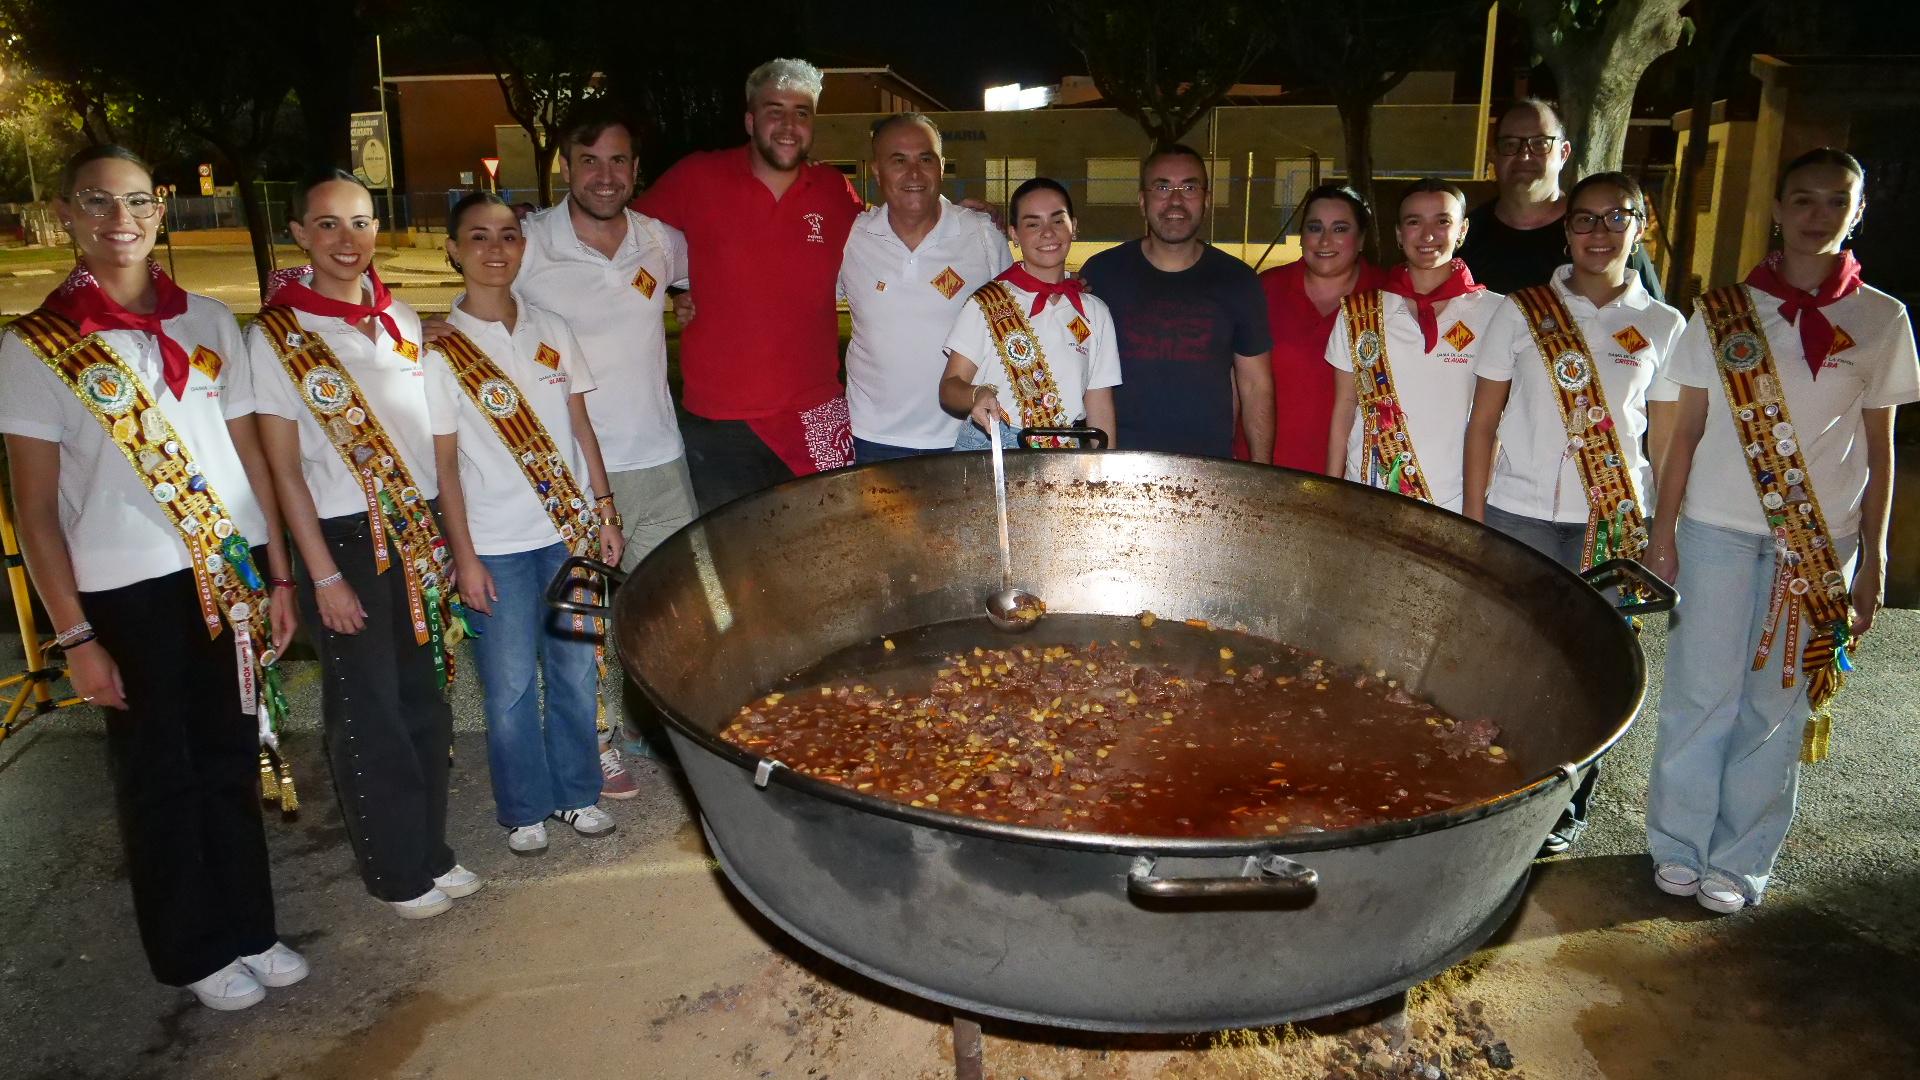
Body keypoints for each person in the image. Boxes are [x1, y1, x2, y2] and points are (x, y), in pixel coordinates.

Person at [0, 145, 306, 1010]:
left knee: (231, 756)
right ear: (64, 214)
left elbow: (248, 455)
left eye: (135, 201)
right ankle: (192, 948)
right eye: (96, 202)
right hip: (124, 593)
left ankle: (251, 924)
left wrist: (278, 574)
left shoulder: (210, 321)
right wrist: (77, 638)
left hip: (227, 575)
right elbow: (36, 511)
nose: (118, 219)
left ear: (161, 210)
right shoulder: (32, 349)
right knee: (158, 774)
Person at [1642, 148, 1918, 914]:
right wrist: (1662, 534)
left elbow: (1879, 444)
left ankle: (1740, 858)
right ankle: (1678, 845)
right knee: (1701, 694)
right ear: (1777, 209)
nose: (1817, 215)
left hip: (1819, 540)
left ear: (1858, 212)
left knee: (1778, 704)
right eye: (1802, 199)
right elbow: (1686, 431)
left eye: (1837, 201)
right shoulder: (1723, 310)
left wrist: (1875, 557)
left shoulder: (1882, 318)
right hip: (1715, 528)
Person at [249, 170, 480, 921]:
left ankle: (430, 851)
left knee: (425, 702)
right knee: (368, 712)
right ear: (299, 235)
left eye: (359, 222)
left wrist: (447, 540)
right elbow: (284, 471)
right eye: (326, 225)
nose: (346, 241)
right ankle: (394, 873)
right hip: (344, 541)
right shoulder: (279, 336)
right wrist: (321, 576)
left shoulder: (403, 320)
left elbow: (428, 444)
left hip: (414, 533)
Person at [1461, 171, 1685, 856]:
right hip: (1518, 511)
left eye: (1614, 217)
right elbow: (1483, 423)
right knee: (1510, 657)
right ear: (1567, 231)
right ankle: (1499, 793)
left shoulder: (1663, 325)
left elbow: (1669, 441)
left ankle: (1567, 806)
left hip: (1610, 520)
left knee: (1594, 667)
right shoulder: (1521, 310)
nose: (1597, 232)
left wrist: (1662, 534)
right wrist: (1472, 522)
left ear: (1640, 227)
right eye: (1583, 219)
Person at [500, 105, 696, 791]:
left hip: (659, 458)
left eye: (618, 161)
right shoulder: (528, 243)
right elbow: (482, 306)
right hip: (574, 470)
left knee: (671, 606)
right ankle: (595, 740)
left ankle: (653, 724)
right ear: (564, 167)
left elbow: (691, 292)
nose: (604, 175)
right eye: (589, 161)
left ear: (636, 169)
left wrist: (685, 303)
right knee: (581, 617)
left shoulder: (662, 241)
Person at [427, 192, 625, 855]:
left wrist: (604, 510)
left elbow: (579, 426)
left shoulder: (552, 328)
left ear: (523, 246)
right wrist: (465, 557)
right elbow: (445, 467)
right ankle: (523, 808)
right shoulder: (440, 349)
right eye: (477, 237)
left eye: (508, 235)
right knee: (509, 687)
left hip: (568, 534)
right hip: (497, 546)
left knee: (574, 672)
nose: (494, 249)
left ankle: (577, 792)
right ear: (453, 249)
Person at [632, 58, 863, 511]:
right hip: (721, 422)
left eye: (802, 112)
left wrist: (968, 214)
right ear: (750, 119)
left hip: (815, 410)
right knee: (735, 569)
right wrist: (676, 287)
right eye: (775, 110)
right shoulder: (697, 176)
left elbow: (891, 236)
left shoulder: (834, 189)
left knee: (827, 557)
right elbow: (625, 238)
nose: (789, 125)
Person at [1079, 145, 1274, 461]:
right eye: (1163, 187)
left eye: (1189, 187)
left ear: (1207, 200)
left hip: (1209, 472)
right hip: (1116, 471)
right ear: (1143, 201)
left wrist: (1264, 472)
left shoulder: (1238, 280)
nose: (1176, 200)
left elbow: (1255, 387)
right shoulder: (1102, 273)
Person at [841, 112, 1012, 462]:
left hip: (967, 435)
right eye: (898, 160)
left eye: (925, 158)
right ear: (876, 170)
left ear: (942, 165)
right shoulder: (851, 237)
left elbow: (1018, 318)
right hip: (872, 440)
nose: (914, 173)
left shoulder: (982, 233)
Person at [1327, 178, 1503, 513]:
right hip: (1369, 494)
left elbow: (1494, 421)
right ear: (1398, 233)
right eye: (1413, 222)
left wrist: (1477, 509)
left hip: (1455, 501)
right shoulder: (1358, 313)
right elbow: (1344, 408)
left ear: (1462, 230)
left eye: (1442, 221)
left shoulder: (1496, 313)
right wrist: (1334, 491)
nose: (1427, 235)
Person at [939, 177, 1120, 449]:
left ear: (1074, 227)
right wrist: (977, 394)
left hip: (1064, 452)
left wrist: (1104, 475)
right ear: (1014, 234)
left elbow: (1100, 407)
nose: (1047, 233)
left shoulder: (1095, 312)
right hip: (993, 445)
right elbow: (950, 387)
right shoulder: (987, 302)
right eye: (1033, 223)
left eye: (1058, 221)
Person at [1458, 99, 1663, 301]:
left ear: (1564, 153)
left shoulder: (1606, 236)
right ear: (1493, 155)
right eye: (1510, 144)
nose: (1524, 155)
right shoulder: (1464, 238)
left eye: (1540, 144)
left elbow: (1654, 322)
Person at [1253, 185, 1386, 470]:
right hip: (1266, 470)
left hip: (1356, 476)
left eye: (1340, 229)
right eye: (1315, 228)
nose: (1325, 240)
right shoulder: (1266, 289)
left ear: (1361, 238)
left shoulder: (1388, 297)